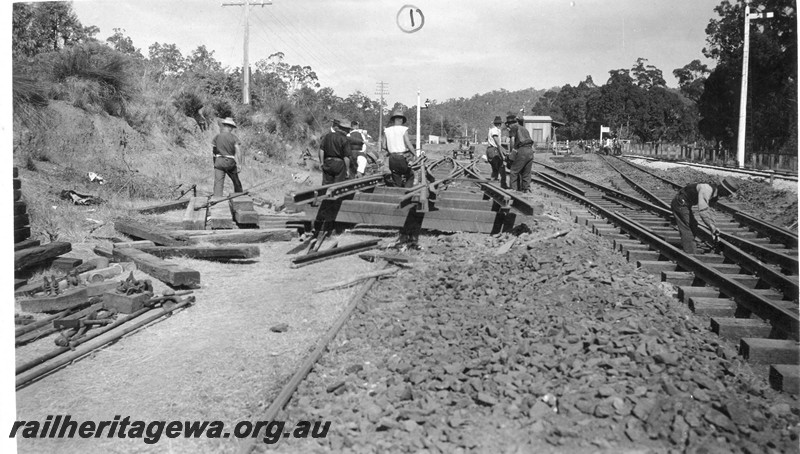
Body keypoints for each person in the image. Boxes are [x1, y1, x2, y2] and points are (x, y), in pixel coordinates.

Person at [670, 178, 740, 254]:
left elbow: (711, 210)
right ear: (723, 189)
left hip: (686, 204)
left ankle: (689, 247)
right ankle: (690, 254)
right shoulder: (707, 190)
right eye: (728, 192)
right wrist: (710, 226)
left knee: (693, 225)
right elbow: (703, 210)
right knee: (688, 227)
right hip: (679, 203)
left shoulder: (715, 194)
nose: (728, 195)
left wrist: (713, 226)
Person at [382, 109, 416, 188]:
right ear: (401, 120)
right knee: (410, 175)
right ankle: (407, 192)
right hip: (401, 157)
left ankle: (398, 191)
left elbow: (383, 146)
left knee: (396, 176)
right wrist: (414, 154)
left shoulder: (387, 130)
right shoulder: (403, 129)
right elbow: (408, 144)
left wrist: (390, 149)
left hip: (392, 158)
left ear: (393, 120)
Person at [212, 117, 244, 197]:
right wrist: (240, 164)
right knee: (236, 182)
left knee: (218, 184)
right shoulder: (233, 137)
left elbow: (214, 152)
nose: (232, 129)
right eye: (232, 127)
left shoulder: (217, 137)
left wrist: (215, 163)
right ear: (229, 127)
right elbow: (238, 151)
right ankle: (239, 198)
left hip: (218, 161)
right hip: (230, 162)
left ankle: (216, 202)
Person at [505, 114, 534, 192]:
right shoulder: (524, 129)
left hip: (522, 150)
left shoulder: (514, 128)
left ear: (510, 123)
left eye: (508, 125)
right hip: (530, 151)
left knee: (514, 171)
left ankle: (514, 189)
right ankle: (526, 189)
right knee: (526, 172)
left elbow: (512, 140)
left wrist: (511, 152)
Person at [318, 118, 352, 185]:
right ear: (345, 130)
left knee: (326, 185)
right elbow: (346, 157)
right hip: (339, 164)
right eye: (348, 130)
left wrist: (321, 162)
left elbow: (321, 150)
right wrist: (347, 170)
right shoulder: (344, 139)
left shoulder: (327, 136)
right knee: (338, 186)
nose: (348, 132)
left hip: (328, 163)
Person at [485, 116, 507, 188]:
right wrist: (502, 154)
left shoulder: (495, 130)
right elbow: (497, 143)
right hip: (493, 150)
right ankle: (500, 185)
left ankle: (495, 184)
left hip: (492, 149)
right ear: (500, 124)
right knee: (500, 167)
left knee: (495, 168)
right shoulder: (495, 131)